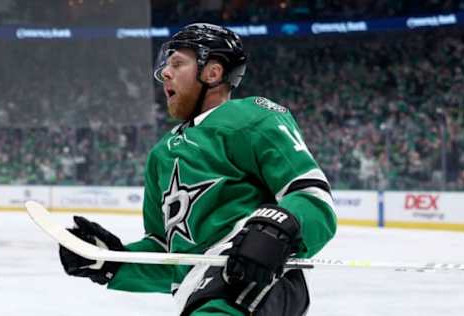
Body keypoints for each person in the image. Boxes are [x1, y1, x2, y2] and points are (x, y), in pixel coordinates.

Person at [59, 23, 337, 315]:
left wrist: (275, 229)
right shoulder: (160, 156)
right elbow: (170, 256)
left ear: (213, 72)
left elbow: (312, 198)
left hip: (251, 279)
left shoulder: (252, 116)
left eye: (177, 63)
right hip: (202, 294)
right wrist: (113, 262)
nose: (165, 72)